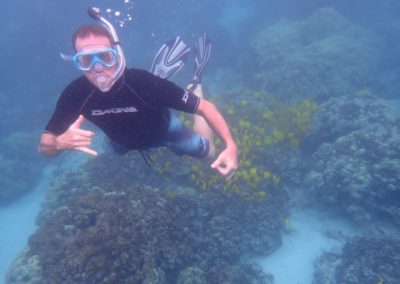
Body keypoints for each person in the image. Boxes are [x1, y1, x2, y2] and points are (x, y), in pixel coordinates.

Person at [39, 10, 238, 179]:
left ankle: (195, 84)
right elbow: (45, 145)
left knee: (209, 153)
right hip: (121, 143)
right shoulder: (76, 94)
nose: (97, 68)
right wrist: (58, 143)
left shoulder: (142, 83)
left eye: (105, 57)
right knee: (115, 151)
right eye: (86, 60)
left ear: (117, 57)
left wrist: (230, 146)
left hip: (167, 131)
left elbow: (206, 107)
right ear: (77, 63)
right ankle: (163, 85)